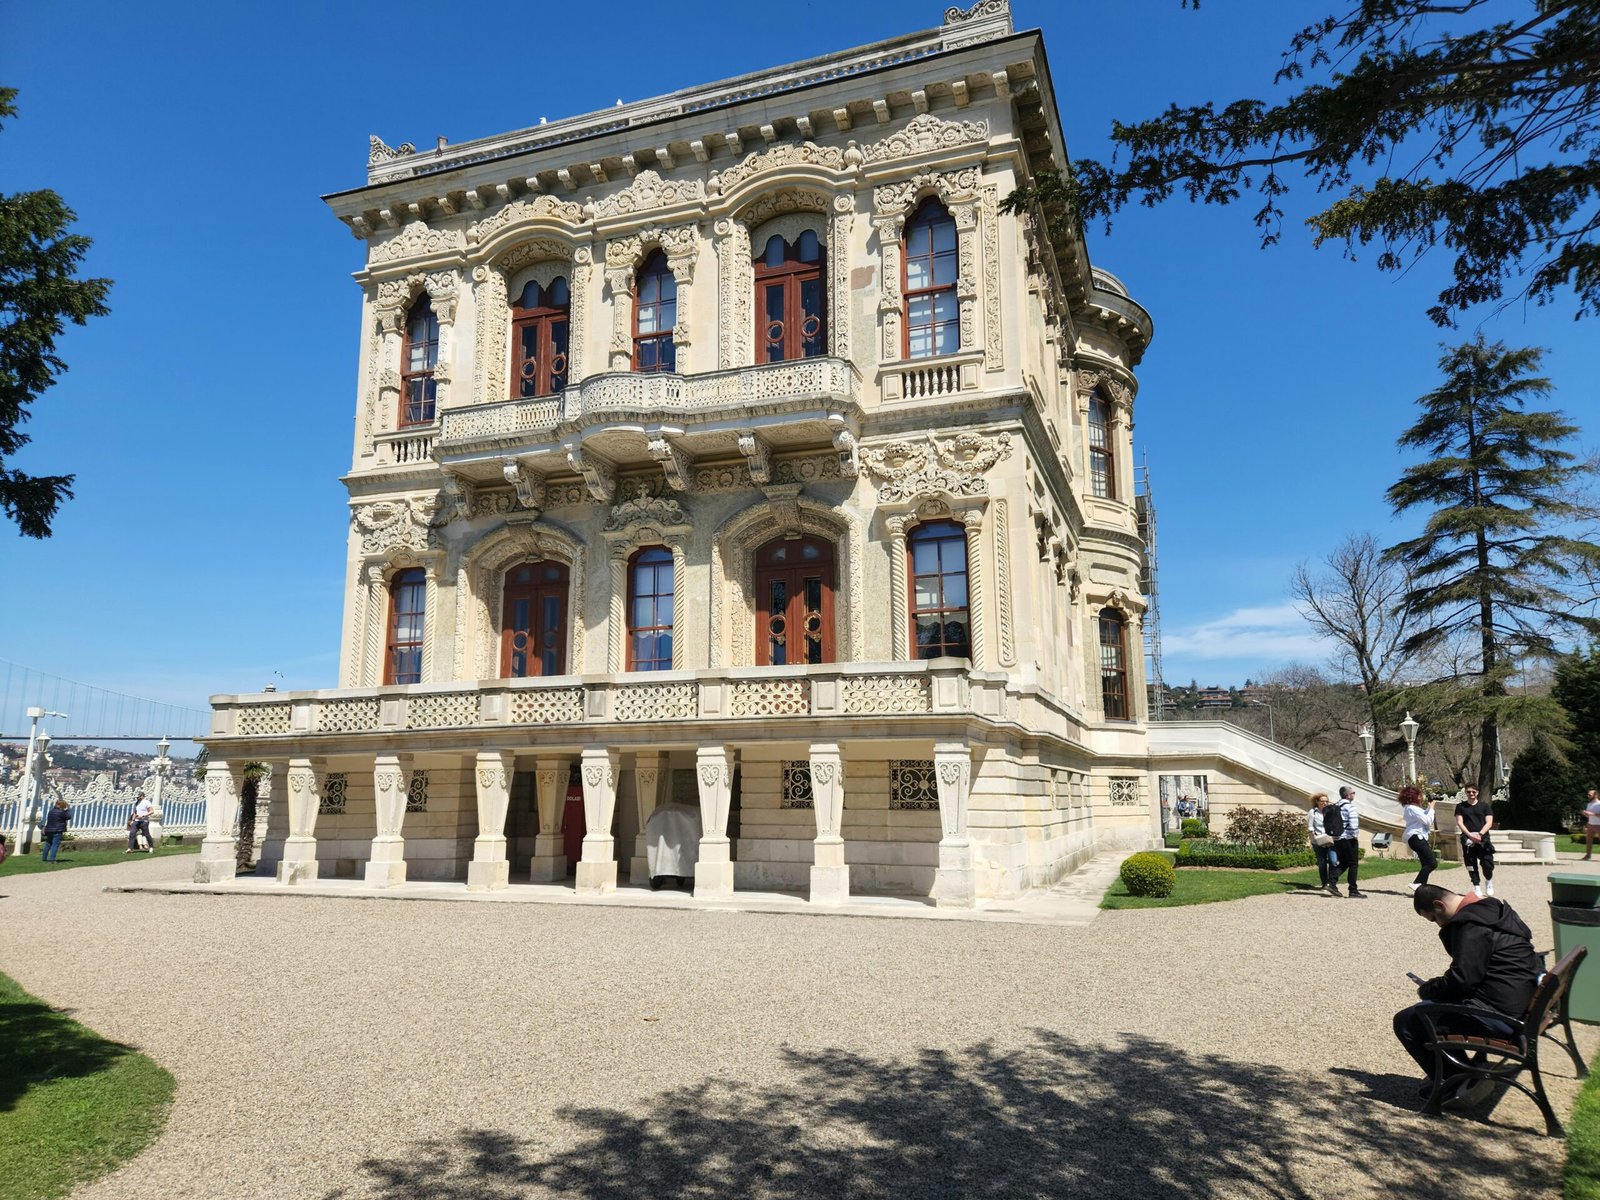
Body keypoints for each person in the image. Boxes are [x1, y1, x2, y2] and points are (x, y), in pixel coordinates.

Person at [1393, 883, 1543, 1113]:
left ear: (1439, 905)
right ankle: (1457, 1073)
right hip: (1518, 1004)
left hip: (1501, 1017)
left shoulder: (1471, 926)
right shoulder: (1492, 911)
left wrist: (1428, 989)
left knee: (1408, 1020)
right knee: (1430, 1009)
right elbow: (1470, 976)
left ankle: (1459, 1081)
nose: (1439, 924)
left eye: (1434, 918)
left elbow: (1462, 980)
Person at [1456, 785, 1496, 897]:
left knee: (1487, 863)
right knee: (1470, 863)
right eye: (1469, 792)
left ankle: (1488, 881)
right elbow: (1460, 822)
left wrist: (1480, 834)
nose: (1471, 794)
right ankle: (1476, 886)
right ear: (1466, 793)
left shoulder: (1484, 806)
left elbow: (1489, 822)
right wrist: (1469, 835)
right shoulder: (1460, 806)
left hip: (1483, 838)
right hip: (1468, 838)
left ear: (1477, 792)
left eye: (1473, 791)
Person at [1401, 784, 1438, 893]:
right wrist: (1431, 809)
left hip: (1417, 837)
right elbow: (1427, 821)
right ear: (1413, 796)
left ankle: (1421, 890)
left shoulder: (1412, 808)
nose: (1421, 797)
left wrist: (1429, 807)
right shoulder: (1412, 808)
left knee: (1425, 864)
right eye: (1418, 795)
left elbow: (1423, 817)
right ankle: (1417, 883)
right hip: (1417, 837)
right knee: (1432, 863)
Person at [1332, 785, 1364, 898]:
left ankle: (1331, 883)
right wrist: (1355, 836)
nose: (1354, 794)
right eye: (1353, 792)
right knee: (1353, 864)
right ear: (1348, 795)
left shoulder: (1335, 806)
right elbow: (1354, 824)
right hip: (1348, 838)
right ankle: (1353, 890)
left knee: (1344, 862)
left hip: (1337, 838)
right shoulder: (1350, 807)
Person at [1307, 792, 1339, 894]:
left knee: (1334, 861)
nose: (1325, 803)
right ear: (1317, 802)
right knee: (1322, 863)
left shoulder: (1331, 811)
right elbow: (1310, 826)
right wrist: (1314, 835)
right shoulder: (1313, 812)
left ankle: (1331, 883)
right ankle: (1325, 883)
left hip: (1330, 839)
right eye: (1322, 801)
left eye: (1326, 801)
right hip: (1318, 841)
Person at [40, 798, 71, 863]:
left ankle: (44, 858)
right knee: (55, 845)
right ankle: (52, 859)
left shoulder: (51, 811)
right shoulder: (61, 812)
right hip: (57, 830)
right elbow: (68, 817)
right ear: (62, 805)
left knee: (48, 844)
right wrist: (67, 810)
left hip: (49, 830)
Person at [1583, 788, 1600, 860]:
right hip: (1590, 824)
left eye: (1589, 795)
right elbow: (1589, 815)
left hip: (1599, 825)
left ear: (1595, 795)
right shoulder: (1589, 804)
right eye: (1588, 794)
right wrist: (1585, 814)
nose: (1588, 796)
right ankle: (1588, 855)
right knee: (1588, 841)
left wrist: (1592, 814)